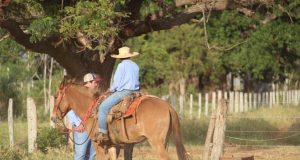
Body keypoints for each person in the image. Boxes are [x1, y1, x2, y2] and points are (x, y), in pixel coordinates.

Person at [97, 46, 140, 141]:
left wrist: (110, 90)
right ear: (129, 56)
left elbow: (116, 83)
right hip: (136, 92)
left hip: (124, 92)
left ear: (120, 57)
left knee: (103, 108)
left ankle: (103, 133)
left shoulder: (121, 66)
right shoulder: (135, 65)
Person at [66, 73, 101, 160]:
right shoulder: (77, 96)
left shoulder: (95, 95)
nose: (97, 84)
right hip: (82, 129)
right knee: (80, 156)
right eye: (94, 82)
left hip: (93, 128)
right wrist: (78, 124)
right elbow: (69, 110)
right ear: (87, 83)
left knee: (92, 156)